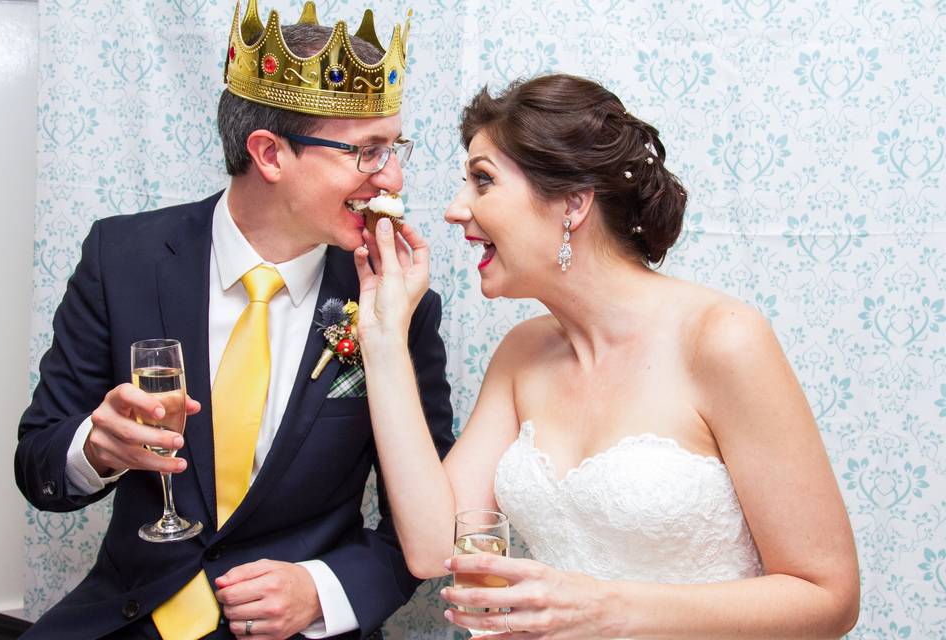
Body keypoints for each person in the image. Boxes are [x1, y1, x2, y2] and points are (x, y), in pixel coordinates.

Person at [353, 74, 860, 638]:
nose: (455, 210)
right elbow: (430, 548)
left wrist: (607, 610)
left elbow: (829, 599)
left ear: (572, 203)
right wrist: (382, 338)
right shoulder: (523, 354)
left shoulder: (723, 340)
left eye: (482, 181)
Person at [14, 3, 453, 639]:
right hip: (125, 617)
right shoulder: (121, 259)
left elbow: (421, 521)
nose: (393, 178)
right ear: (269, 154)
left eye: (395, 148)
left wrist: (321, 591)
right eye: (367, 151)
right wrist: (95, 449)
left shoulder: (398, 305)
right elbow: (38, 468)